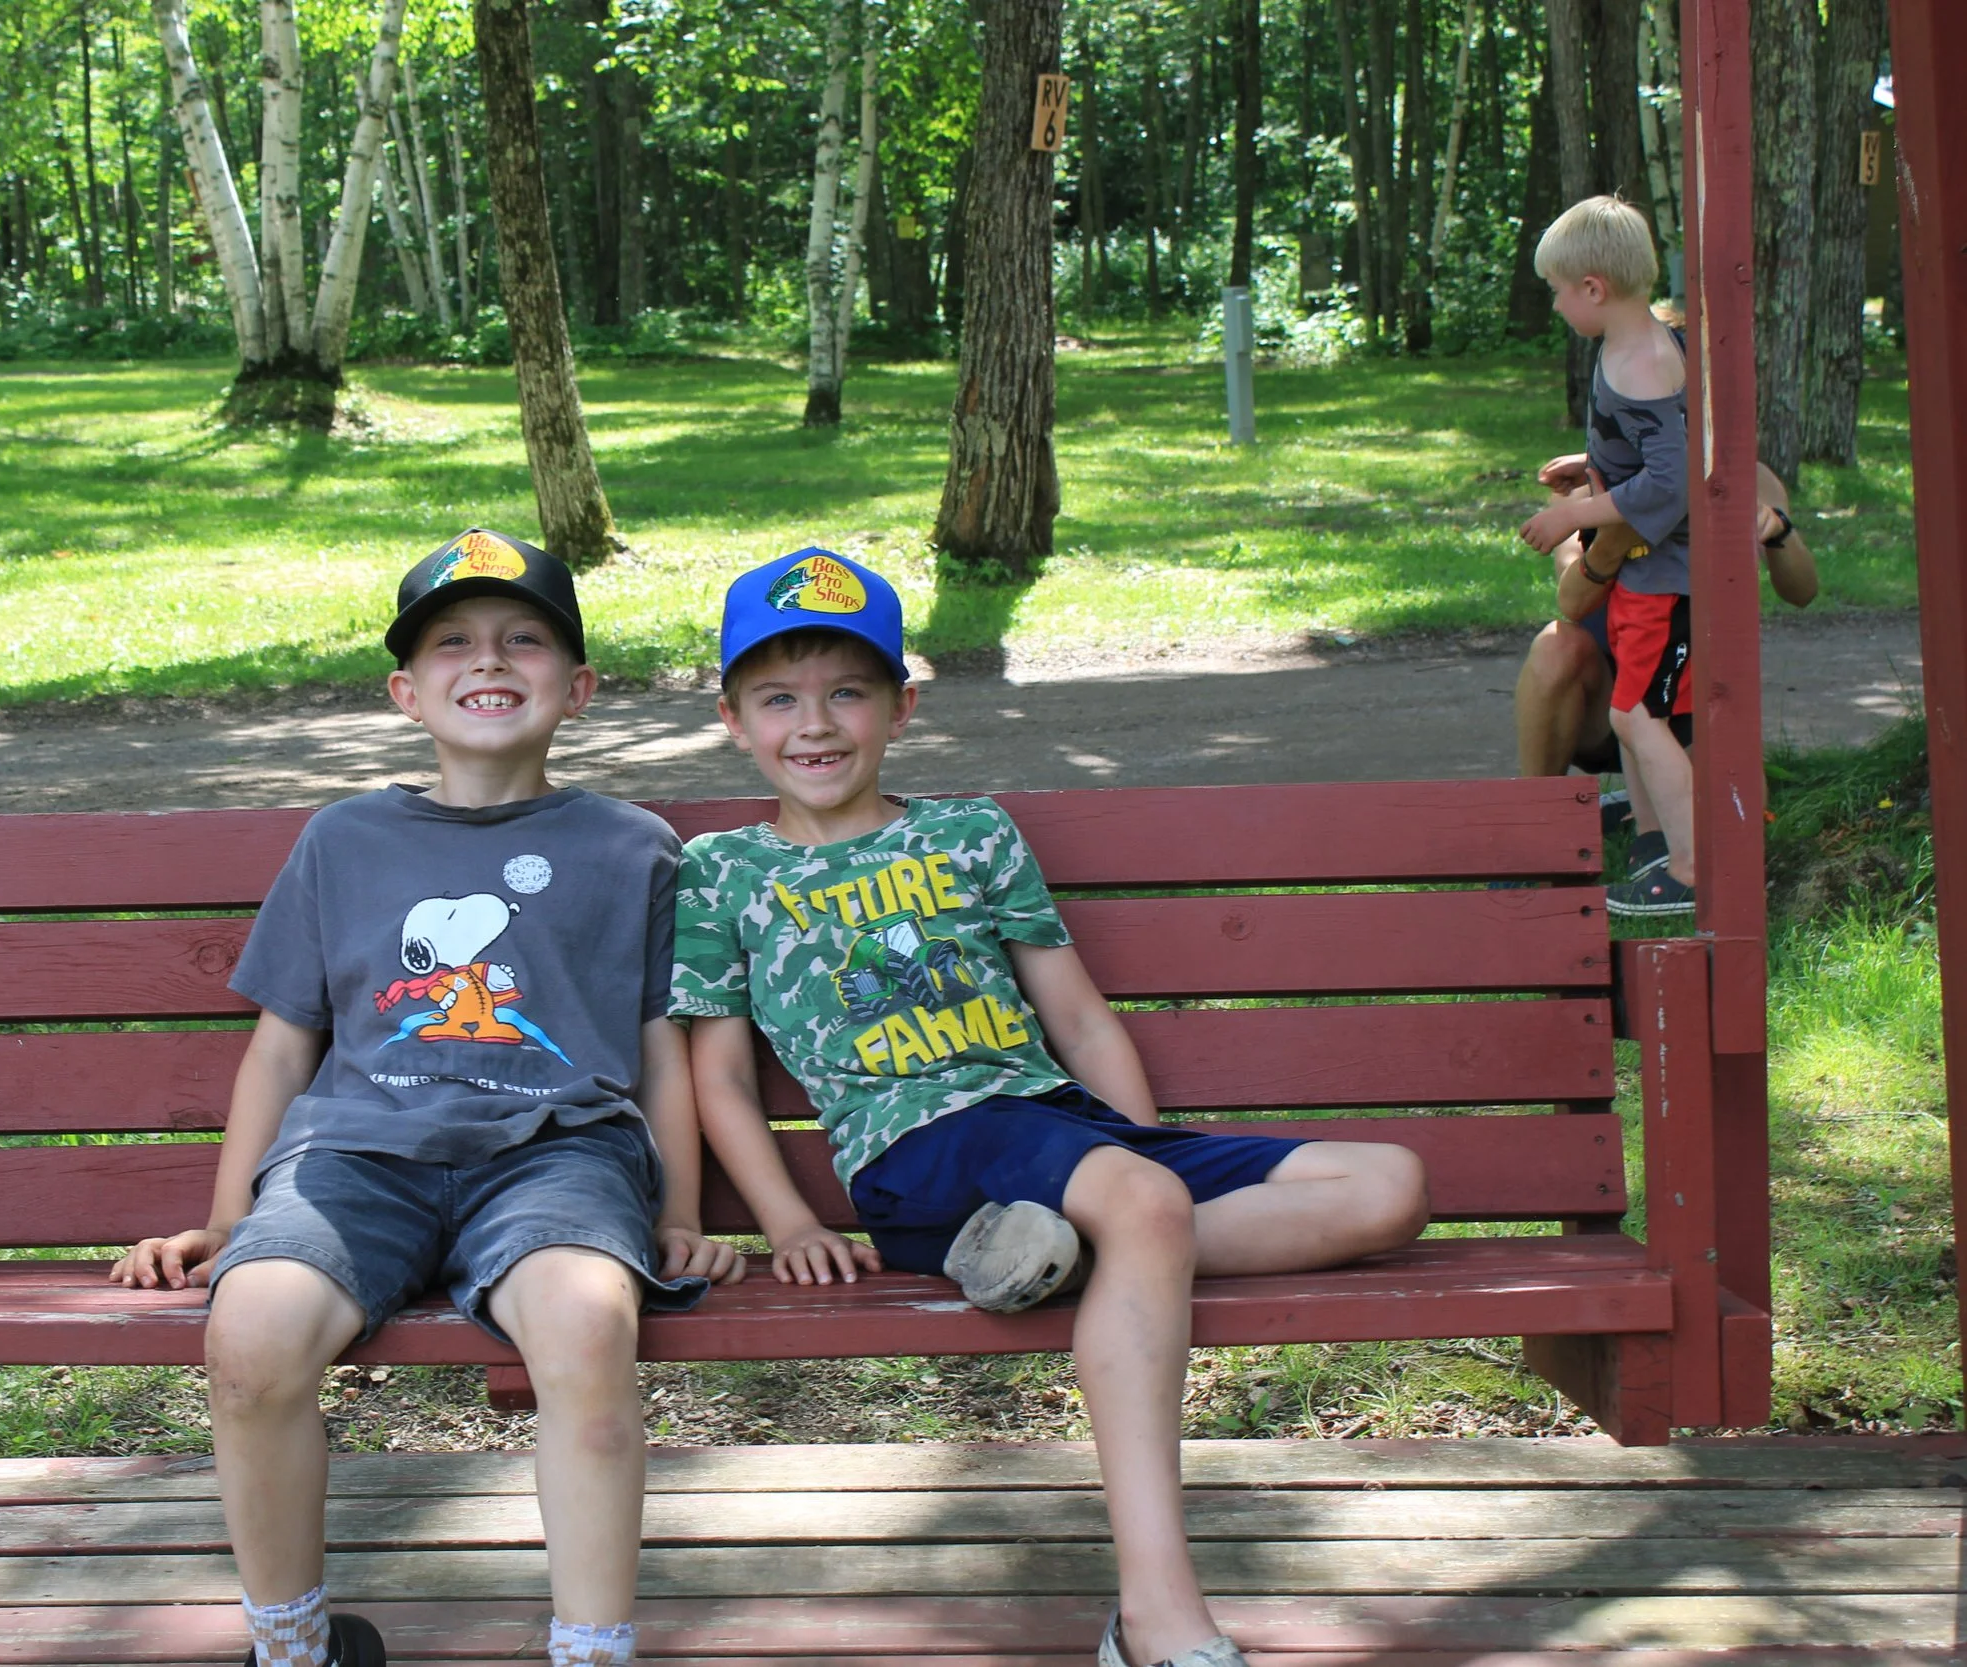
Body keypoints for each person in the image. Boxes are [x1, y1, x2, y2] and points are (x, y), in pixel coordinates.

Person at [667, 548, 1431, 1667]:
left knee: (1387, 1185)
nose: (815, 723)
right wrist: (787, 1219)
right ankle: (1156, 1609)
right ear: (734, 719)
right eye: (778, 697)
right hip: (917, 1147)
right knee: (1140, 1202)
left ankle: (1077, 1252)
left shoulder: (970, 834)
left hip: (1059, 1129)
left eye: (847, 691)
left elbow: (1074, 1020)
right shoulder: (723, 869)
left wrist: (1134, 1156)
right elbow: (719, 1074)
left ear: (900, 705)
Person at [111, 528, 744, 1667]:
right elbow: (279, 1048)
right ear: (407, 689)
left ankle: (593, 1650)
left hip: (560, 1155)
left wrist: (679, 1212)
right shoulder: (343, 838)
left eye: (524, 639)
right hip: (356, 1154)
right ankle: (295, 1644)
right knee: (250, 1337)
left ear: (579, 685)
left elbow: (665, 1048)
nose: (486, 659)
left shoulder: (632, 847)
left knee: (588, 1325)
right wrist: (227, 1217)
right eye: (452, 641)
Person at [1517, 195, 1710, 917]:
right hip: (1647, 574)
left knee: (1638, 716)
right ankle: (1657, 839)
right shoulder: (1644, 344)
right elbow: (1656, 445)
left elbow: (1671, 481)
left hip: (1664, 578)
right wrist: (1596, 457)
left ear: (1592, 288)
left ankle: (1691, 869)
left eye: (1559, 292)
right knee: (1636, 711)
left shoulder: (1640, 362)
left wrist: (1576, 514)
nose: (1560, 306)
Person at [1513, 461, 1819, 875]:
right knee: (1555, 646)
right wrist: (1613, 537)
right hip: (1609, 693)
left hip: (1690, 690)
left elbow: (1802, 592)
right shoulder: (1585, 489)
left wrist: (1779, 530)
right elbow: (1572, 602)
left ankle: (1653, 814)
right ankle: (1536, 824)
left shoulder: (1748, 476)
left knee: (1737, 818)